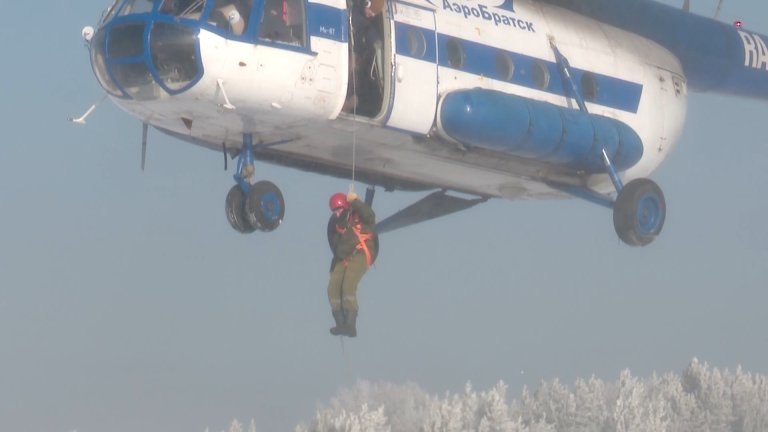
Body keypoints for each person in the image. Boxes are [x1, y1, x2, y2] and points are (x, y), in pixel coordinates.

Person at [326, 191, 377, 337]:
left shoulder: (358, 216)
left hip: (361, 252)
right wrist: (333, 268)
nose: (337, 213)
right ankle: (341, 323)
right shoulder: (338, 226)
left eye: (339, 209)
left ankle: (350, 324)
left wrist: (355, 201)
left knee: (348, 284)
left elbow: (370, 216)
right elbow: (338, 249)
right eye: (335, 211)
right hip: (344, 257)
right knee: (333, 289)